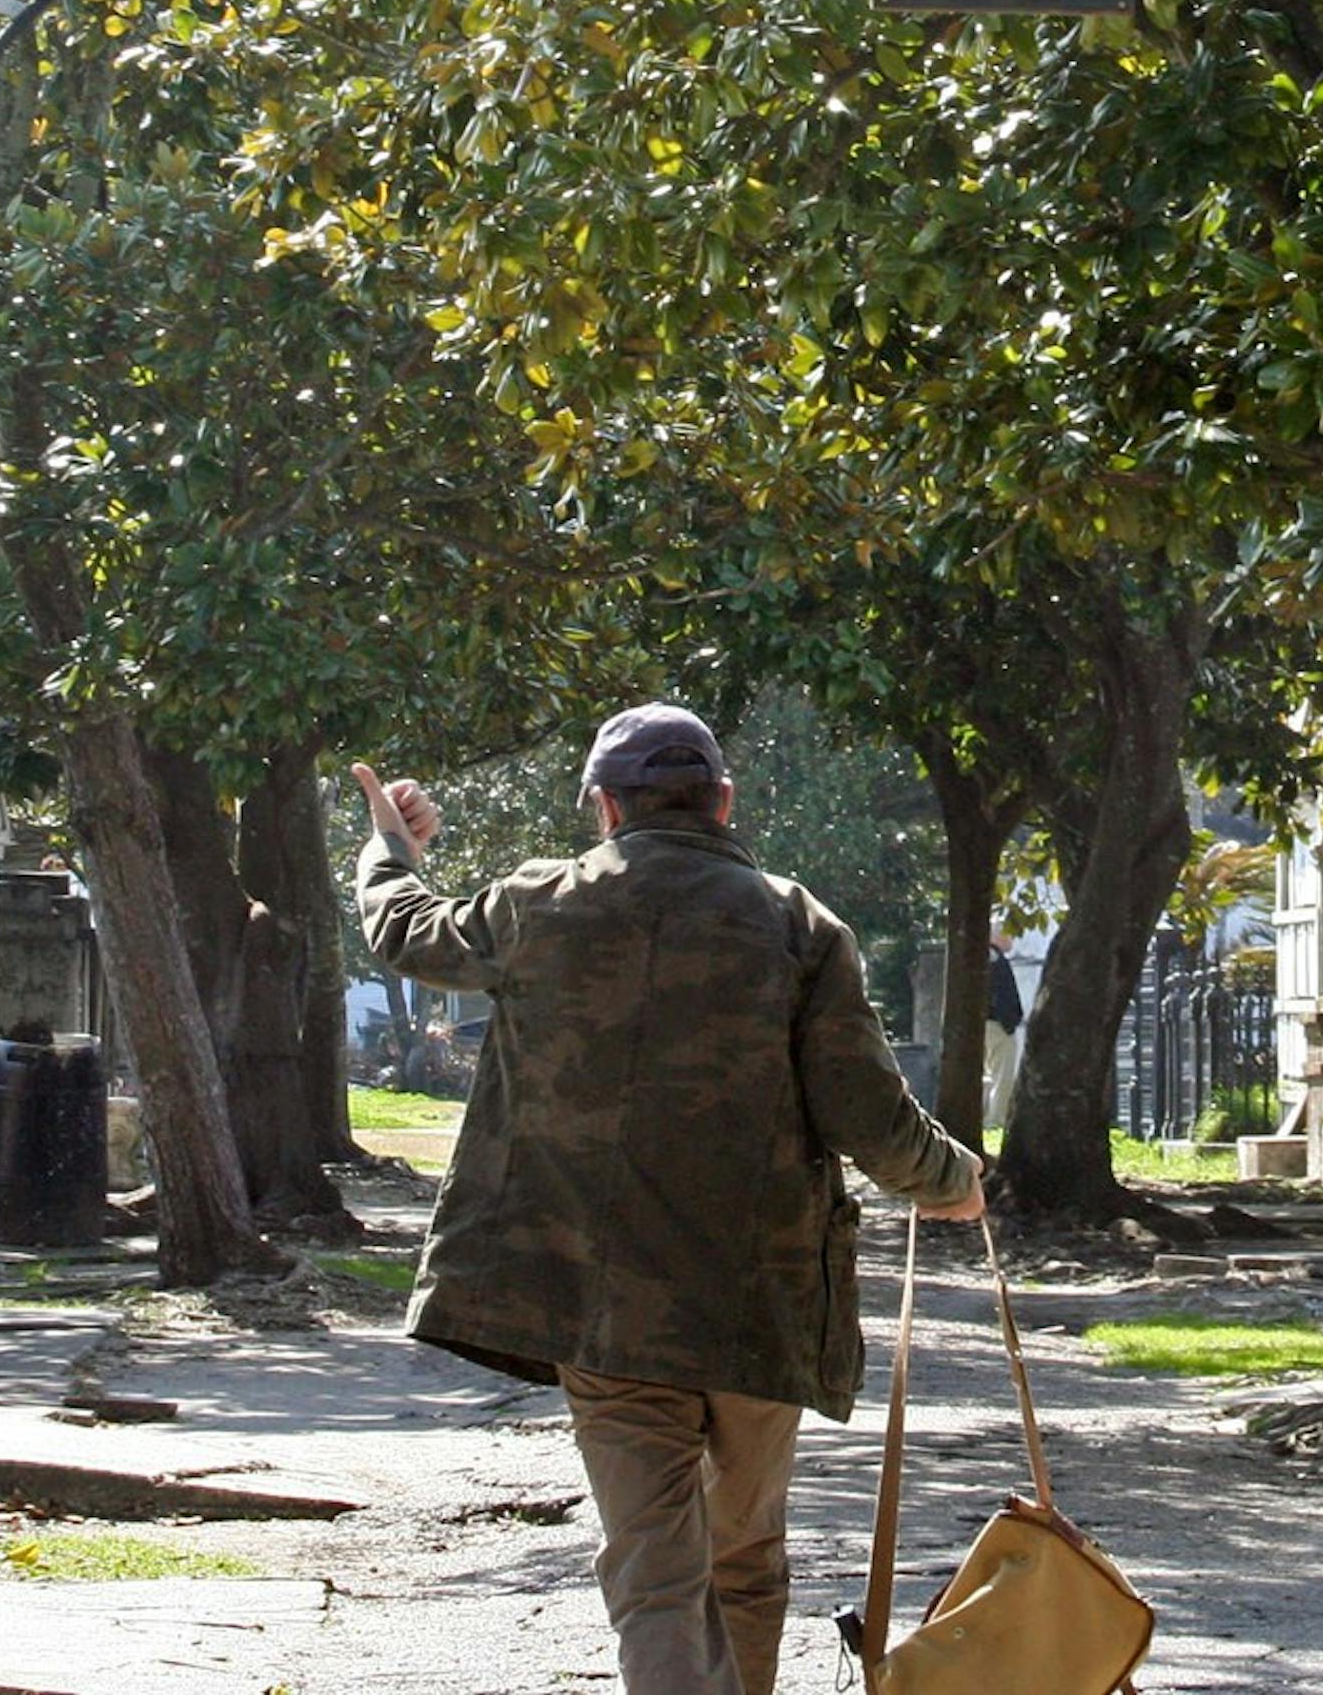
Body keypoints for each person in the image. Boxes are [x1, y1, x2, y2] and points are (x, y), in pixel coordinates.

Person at [351, 706, 984, 1695]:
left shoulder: (535, 905)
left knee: (654, 1572)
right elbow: (867, 1112)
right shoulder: (797, 925)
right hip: (762, 1308)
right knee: (744, 1561)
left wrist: (390, 845)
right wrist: (953, 1182)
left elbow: (402, 928)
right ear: (722, 801)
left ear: (604, 807)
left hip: (606, 1310)